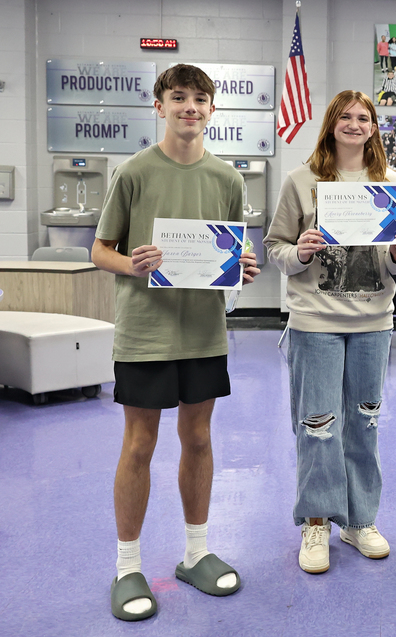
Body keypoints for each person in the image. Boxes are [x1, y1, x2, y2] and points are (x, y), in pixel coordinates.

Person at [93, 63, 260, 622]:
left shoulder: (229, 180)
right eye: (179, 97)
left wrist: (244, 267)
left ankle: (195, 552)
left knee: (199, 439)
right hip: (144, 331)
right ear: (159, 106)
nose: (190, 107)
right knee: (140, 445)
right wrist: (133, 267)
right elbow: (101, 252)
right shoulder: (134, 171)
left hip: (203, 331)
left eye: (200, 99)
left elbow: (231, 255)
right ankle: (127, 566)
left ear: (213, 109)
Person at [264, 90, 396, 573]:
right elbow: (275, 247)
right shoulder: (300, 180)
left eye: (363, 118)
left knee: (365, 423)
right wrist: (300, 252)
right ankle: (316, 522)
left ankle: (359, 519)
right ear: (330, 124)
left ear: (373, 127)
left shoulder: (392, 183)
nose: (354, 124)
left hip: (372, 322)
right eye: (345, 117)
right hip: (316, 322)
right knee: (318, 426)